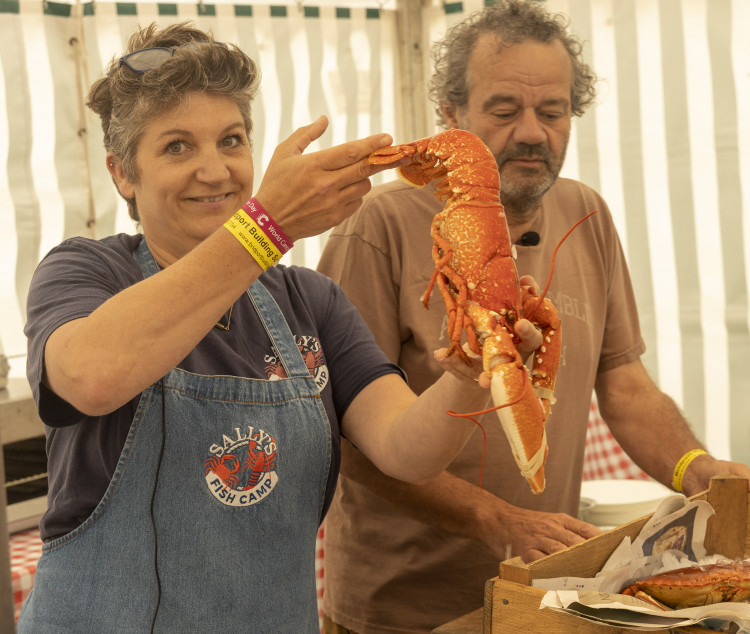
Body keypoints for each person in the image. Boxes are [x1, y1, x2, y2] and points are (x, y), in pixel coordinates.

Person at [17, 22, 519, 632]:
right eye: (177, 146)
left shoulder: (309, 301)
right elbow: (92, 376)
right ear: (123, 173)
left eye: (231, 140)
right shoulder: (86, 270)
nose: (214, 170)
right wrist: (265, 229)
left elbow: (404, 451)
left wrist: (468, 376)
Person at [316, 1, 750, 632]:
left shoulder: (587, 215)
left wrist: (696, 468)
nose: (531, 131)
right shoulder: (377, 225)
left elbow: (624, 385)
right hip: (403, 608)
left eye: (552, 112)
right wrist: (495, 517)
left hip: (544, 598)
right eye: (503, 110)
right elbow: (344, 435)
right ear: (451, 113)